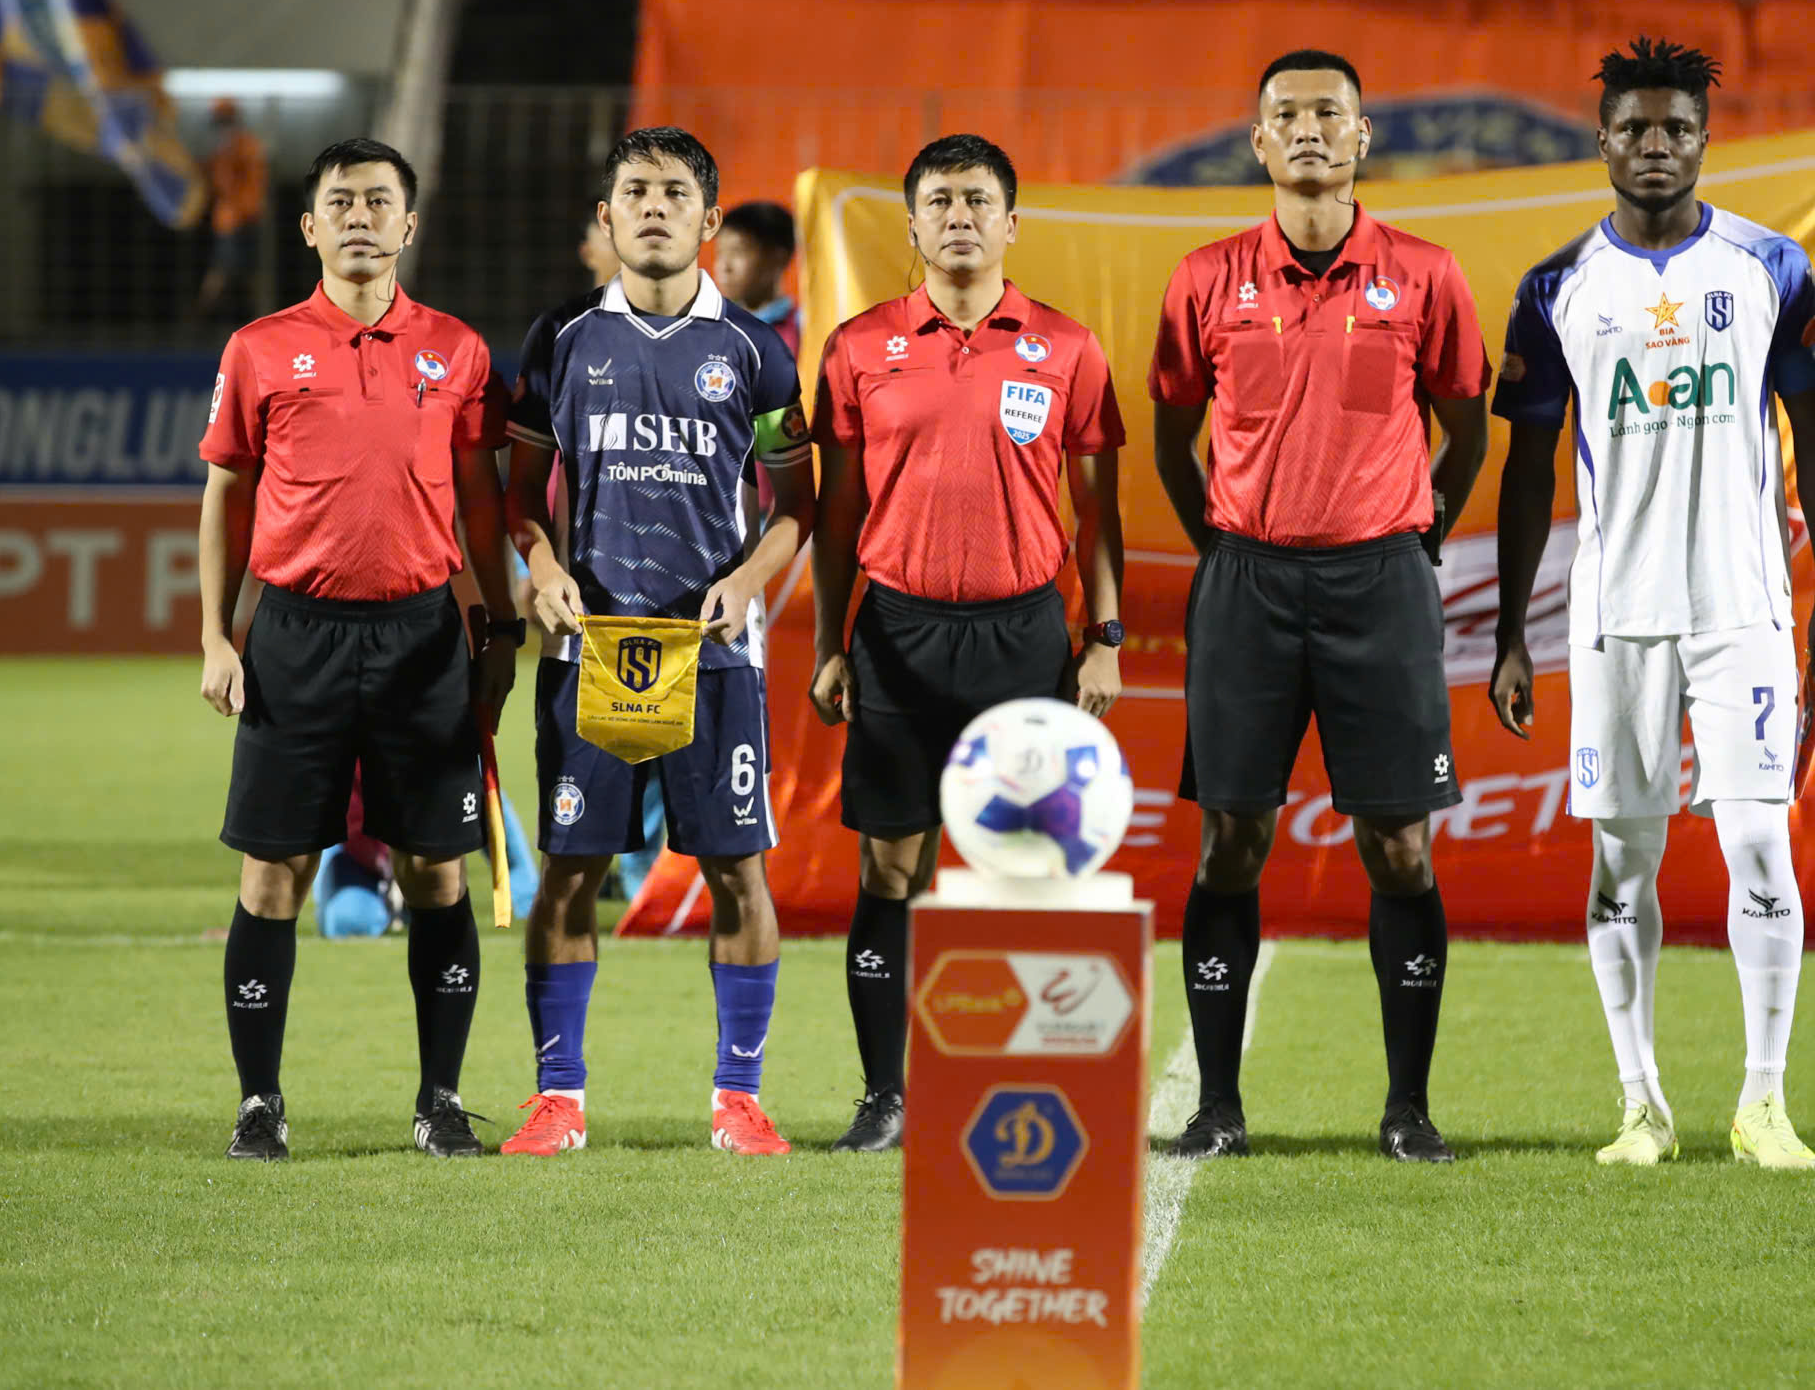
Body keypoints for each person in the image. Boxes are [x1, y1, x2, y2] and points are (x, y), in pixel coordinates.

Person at [1489, 37, 1815, 1171]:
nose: (1656, 146)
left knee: (1757, 843)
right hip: (1614, 617)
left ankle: (1762, 1103)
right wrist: (1509, 631)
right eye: (1635, 129)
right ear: (1601, 140)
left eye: (1677, 129)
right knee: (1621, 863)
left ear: (1705, 140)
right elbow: (1526, 469)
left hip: (1742, 609)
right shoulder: (1553, 288)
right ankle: (1640, 1105)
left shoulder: (1770, 266)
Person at [1150, 49, 1491, 1164]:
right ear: (1257, 141)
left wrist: (1413, 535)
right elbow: (1170, 433)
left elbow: (1466, 428)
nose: (1307, 128)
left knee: (1398, 846)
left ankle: (1408, 1109)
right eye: (1285, 114)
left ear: (1360, 137)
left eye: (1328, 113)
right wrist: (1221, 546)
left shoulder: (1426, 274)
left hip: (1379, 584)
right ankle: (1215, 1106)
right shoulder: (1204, 278)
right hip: (1245, 584)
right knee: (1231, 840)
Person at [197, 137, 519, 1160]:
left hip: (423, 637)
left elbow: (481, 501)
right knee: (272, 875)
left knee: (436, 873)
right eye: (340, 202)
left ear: (409, 225)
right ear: (309, 226)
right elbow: (227, 494)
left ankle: (439, 1101)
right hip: (295, 636)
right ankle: (259, 1104)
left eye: (380, 201)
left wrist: (498, 624)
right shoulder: (259, 348)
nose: (360, 217)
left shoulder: (458, 351)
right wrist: (216, 636)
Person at [809, 134, 1129, 1154]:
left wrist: (1103, 636)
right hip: (896, 632)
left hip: (1023, 636)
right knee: (889, 866)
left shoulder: (1067, 346)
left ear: (1011, 222)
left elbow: (1098, 514)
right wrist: (828, 643)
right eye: (940, 201)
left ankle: (1019, 1091)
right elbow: (834, 515)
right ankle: (884, 1096)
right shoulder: (858, 347)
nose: (958, 216)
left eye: (977, 200)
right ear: (911, 224)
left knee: (1025, 869)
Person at [501, 127, 815, 1159]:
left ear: (708, 219)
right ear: (606, 216)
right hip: (588, 651)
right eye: (633, 190)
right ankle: (557, 1098)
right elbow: (518, 496)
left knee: (737, 873)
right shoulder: (559, 338)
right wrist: (540, 565)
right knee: (570, 872)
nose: (651, 206)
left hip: (714, 657)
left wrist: (743, 584)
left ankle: (739, 1099)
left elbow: (797, 508)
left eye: (674, 192)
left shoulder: (756, 353)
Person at [191, 100, 269, 325]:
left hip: (238, 218)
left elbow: (229, 182)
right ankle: (258, 317)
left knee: (227, 270)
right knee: (236, 270)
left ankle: (199, 317)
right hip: (238, 218)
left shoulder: (238, 147)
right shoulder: (237, 146)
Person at [713, 201, 801, 356]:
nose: (724, 266)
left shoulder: (804, 329)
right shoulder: (709, 330)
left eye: (737, 252)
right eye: (721, 252)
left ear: (778, 258)